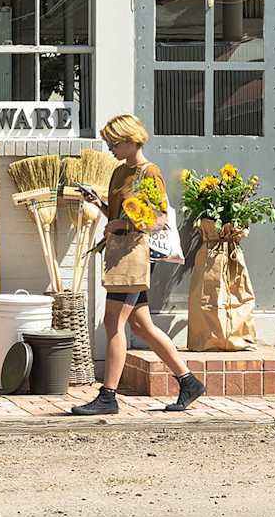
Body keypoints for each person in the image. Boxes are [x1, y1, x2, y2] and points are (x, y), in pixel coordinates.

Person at [70, 113, 205, 415]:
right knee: (141, 325)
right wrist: (100, 205)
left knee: (113, 322)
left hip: (135, 256)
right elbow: (117, 216)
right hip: (121, 254)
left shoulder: (149, 173)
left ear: (132, 141)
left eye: (114, 143)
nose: (110, 149)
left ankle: (108, 396)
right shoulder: (119, 173)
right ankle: (189, 381)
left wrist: (122, 224)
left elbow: (157, 220)